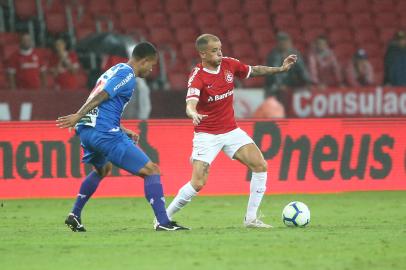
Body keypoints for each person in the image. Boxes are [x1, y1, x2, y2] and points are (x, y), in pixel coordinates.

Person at [165, 34, 297, 228]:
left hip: (231, 130)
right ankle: (163, 217)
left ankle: (251, 219)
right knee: (198, 183)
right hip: (207, 134)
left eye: (220, 48)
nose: (219, 52)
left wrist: (281, 69)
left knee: (260, 165)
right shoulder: (198, 76)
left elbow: (255, 70)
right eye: (214, 50)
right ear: (202, 53)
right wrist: (192, 113)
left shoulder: (229, 64)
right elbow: (190, 102)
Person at [56, 42, 188, 232]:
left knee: (103, 169)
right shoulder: (127, 74)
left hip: (87, 130)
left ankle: (74, 215)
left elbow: (103, 104)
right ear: (143, 61)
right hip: (103, 132)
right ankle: (163, 222)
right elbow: (102, 95)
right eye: (151, 65)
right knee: (151, 170)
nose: (151, 69)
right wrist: (78, 114)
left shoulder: (114, 70)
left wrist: (122, 128)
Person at [265, 32, 310, 97]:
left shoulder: (295, 54)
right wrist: (280, 85)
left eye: (285, 41)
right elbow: (274, 72)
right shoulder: (273, 55)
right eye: (281, 41)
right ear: (278, 43)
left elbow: (302, 69)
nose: (284, 44)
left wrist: (307, 82)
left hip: (291, 85)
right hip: (275, 86)